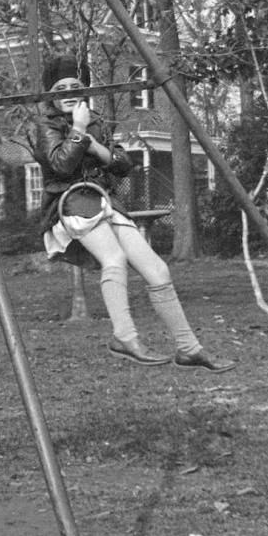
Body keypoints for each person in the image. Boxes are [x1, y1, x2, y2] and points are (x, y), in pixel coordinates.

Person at [37, 54, 236, 373]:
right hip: (70, 202)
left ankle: (188, 347)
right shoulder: (46, 125)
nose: (69, 93)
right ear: (51, 94)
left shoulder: (95, 120)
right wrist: (77, 130)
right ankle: (124, 337)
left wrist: (93, 144)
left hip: (103, 201)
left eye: (76, 86)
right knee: (113, 259)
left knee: (157, 270)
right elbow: (61, 165)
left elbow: (123, 164)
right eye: (61, 89)